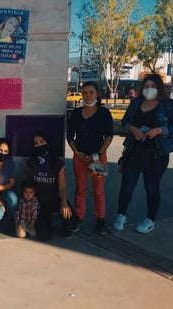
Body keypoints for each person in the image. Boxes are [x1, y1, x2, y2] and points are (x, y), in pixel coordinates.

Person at [114, 74, 173, 233]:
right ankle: (121, 215)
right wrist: (133, 130)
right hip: (133, 150)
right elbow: (125, 121)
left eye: (153, 86)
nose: (149, 89)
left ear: (159, 87)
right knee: (127, 186)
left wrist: (160, 130)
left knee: (151, 187)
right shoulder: (136, 103)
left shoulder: (169, 105)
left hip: (157, 152)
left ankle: (150, 219)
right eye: (146, 86)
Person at [66, 81, 114, 236]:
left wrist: (98, 155)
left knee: (98, 190)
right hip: (79, 157)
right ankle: (79, 217)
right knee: (80, 189)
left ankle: (100, 220)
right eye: (84, 92)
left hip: (97, 158)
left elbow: (108, 136)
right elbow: (70, 136)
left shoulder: (103, 113)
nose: (87, 95)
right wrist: (77, 153)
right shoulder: (76, 113)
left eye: (91, 92)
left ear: (97, 94)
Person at [26, 133, 72, 241]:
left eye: (42, 142)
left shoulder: (57, 163)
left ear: (48, 143)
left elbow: (62, 187)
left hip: (55, 198)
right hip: (40, 201)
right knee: (43, 235)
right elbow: (30, 185)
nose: (39, 145)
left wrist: (64, 202)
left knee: (69, 216)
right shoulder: (30, 163)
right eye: (36, 143)